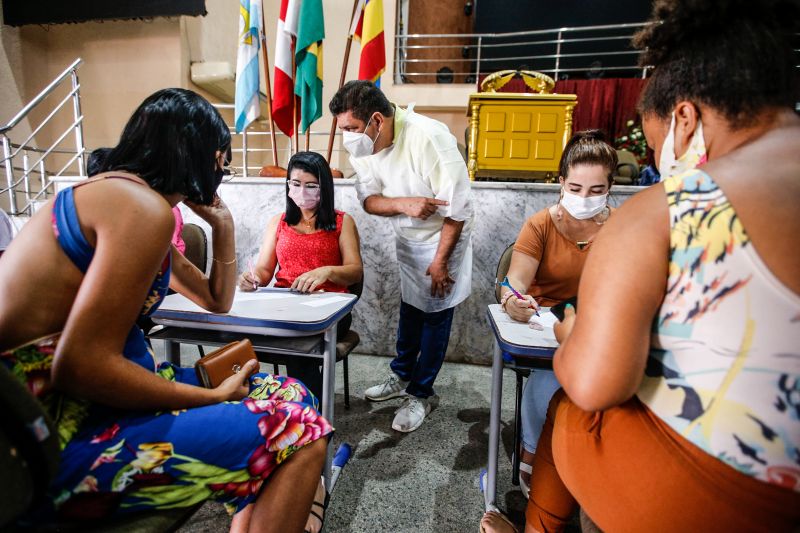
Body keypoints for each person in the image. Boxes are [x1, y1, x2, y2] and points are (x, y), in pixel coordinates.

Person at [515, 1, 800, 531]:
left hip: (719, 494)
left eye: (653, 148)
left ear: (685, 120)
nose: (659, 165)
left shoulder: (664, 212)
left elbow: (595, 384)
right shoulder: (541, 223)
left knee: (569, 410)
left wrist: (572, 329)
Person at [0, 88, 330, 533]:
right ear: (200, 155)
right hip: (54, 433)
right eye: (221, 160)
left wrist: (223, 226)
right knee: (301, 430)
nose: (222, 171)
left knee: (294, 393)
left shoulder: (129, 200)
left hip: (83, 406)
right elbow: (80, 366)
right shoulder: (138, 208)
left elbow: (216, 301)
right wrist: (210, 398)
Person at [330, 80, 474, 433]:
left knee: (436, 314)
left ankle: (421, 393)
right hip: (409, 237)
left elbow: (457, 210)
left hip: (445, 238)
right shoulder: (364, 147)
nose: (347, 137)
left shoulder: (429, 139)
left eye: (350, 128)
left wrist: (440, 262)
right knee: (410, 307)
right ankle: (401, 375)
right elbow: (369, 200)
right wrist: (403, 204)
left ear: (376, 121)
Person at [487, 131, 617, 521]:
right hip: (544, 325)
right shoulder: (541, 224)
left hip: (595, 326)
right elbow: (516, 281)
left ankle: (590, 458)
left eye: (596, 189)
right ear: (561, 183)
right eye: (575, 187)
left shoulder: (622, 229)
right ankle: (531, 450)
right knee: (550, 374)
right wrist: (513, 300)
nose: (584, 197)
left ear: (611, 188)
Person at [238, 150, 363, 399]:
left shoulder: (341, 222)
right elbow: (264, 270)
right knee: (241, 337)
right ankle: (260, 402)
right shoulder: (279, 222)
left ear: (323, 188)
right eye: (295, 184)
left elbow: (355, 271)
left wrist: (327, 271)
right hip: (285, 306)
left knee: (299, 345)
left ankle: (309, 412)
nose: (302, 191)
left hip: (330, 310)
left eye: (310, 185)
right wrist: (251, 279)